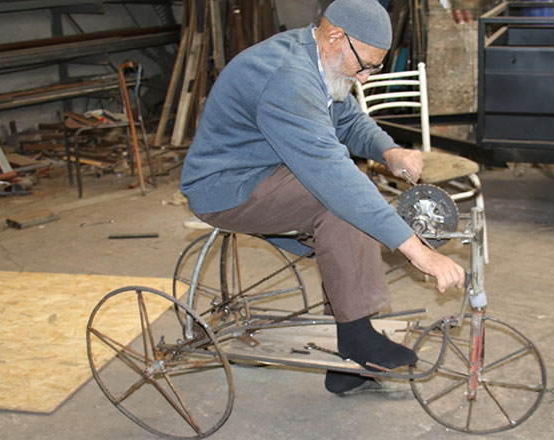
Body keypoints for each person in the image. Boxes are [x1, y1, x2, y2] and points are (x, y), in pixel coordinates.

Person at [180, 0, 465, 395]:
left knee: (348, 203)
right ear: (335, 37)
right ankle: (356, 338)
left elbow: (345, 117)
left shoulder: (317, 54)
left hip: (265, 168)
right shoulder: (288, 80)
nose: (365, 79)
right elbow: (334, 175)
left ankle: (348, 361)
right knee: (340, 204)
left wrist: (387, 150)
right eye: (365, 65)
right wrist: (419, 252)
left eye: (374, 68)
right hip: (227, 187)